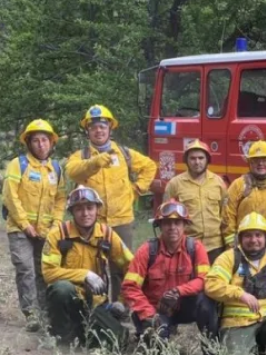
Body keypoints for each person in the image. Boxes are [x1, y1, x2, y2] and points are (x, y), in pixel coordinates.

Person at [66, 104, 158, 299]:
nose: (98, 130)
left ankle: (120, 310)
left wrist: (136, 190)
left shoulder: (124, 154)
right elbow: (72, 171)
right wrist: (95, 162)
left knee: (122, 269)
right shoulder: (81, 156)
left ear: (110, 128)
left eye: (102, 126)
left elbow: (150, 166)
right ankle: (92, 308)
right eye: (94, 127)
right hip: (92, 222)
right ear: (88, 131)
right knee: (91, 266)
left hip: (122, 220)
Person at [41, 186, 133, 345]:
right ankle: (61, 340)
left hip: (96, 303)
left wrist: (122, 300)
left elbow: (131, 266)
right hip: (69, 299)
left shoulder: (107, 234)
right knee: (62, 288)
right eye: (79, 209)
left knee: (119, 341)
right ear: (72, 212)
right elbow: (49, 273)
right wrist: (85, 275)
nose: (85, 214)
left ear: (98, 209)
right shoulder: (58, 234)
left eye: (90, 208)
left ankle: (86, 333)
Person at [121, 200, 217, 348]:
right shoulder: (147, 251)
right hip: (156, 310)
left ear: (185, 225)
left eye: (177, 223)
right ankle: (157, 334)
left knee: (206, 303)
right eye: (167, 223)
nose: (172, 227)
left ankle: (211, 348)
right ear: (159, 226)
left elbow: (204, 280)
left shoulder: (195, 247)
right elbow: (129, 287)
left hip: (185, 307)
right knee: (156, 345)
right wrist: (149, 314)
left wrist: (178, 291)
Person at [204, 213, 266, 355]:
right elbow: (211, 284)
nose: (253, 240)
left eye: (258, 235)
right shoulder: (229, 257)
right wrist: (240, 294)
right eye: (248, 236)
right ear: (240, 238)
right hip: (237, 324)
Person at [2, 119, 67, 331]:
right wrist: (25, 225)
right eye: (36, 140)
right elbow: (10, 197)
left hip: (46, 232)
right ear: (29, 143)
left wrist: (56, 225)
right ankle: (31, 314)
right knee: (25, 269)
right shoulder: (18, 164)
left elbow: (60, 199)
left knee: (44, 271)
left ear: (51, 143)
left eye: (45, 140)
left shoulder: (56, 168)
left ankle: (46, 313)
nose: (41, 144)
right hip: (19, 229)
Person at [164, 139, 228, 263]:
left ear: (207, 160)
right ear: (186, 161)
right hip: (188, 245)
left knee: (214, 281)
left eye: (201, 158)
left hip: (216, 246)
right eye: (192, 158)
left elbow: (225, 214)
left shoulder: (218, 182)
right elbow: (167, 217)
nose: (197, 162)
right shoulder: (175, 184)